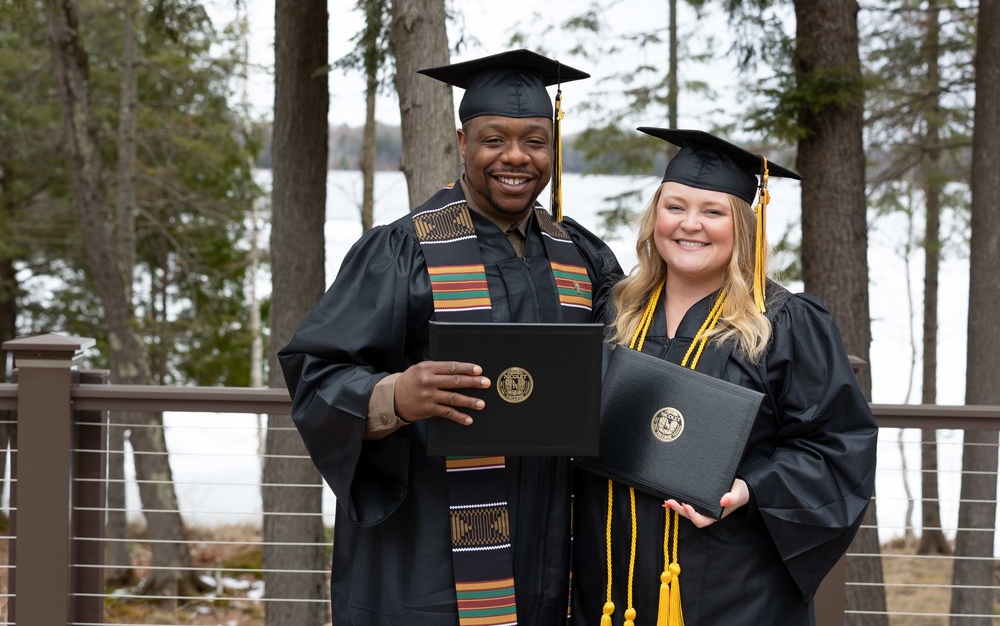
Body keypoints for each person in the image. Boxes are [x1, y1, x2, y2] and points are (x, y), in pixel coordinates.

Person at [278, 49, 622, 625]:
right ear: (463, 144)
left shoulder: (581, 255)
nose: (516, 157)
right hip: (431, 551)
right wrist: (394, 397)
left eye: (535, 141)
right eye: (494, 139)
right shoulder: (403, 250)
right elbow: (317, 373)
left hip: (554, 547)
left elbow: (636, 358)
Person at [571, 128, 878, 625]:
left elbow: (837, 446)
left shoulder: (782, 323)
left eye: (713, 211)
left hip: (733, 587)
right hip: (610, 584)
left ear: (742, 226)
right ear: (655, 219)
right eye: (675, 207)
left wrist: (749, 488)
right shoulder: (616, 310)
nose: (690, 224)